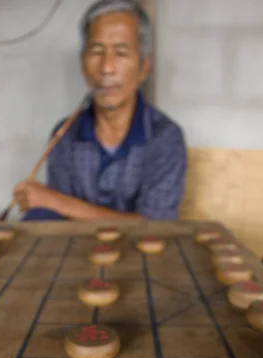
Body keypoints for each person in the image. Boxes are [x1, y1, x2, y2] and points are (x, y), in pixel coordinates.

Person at [14, 0, 186, 221]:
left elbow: (155, 228)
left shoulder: (165, 137)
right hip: (74, 252)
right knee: (37, 217)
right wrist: (48, 203)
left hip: (142, 255)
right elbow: (57, 221)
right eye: (96, 51)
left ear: (144, 67)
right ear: (82, 62)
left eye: (121, 53)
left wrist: (53, 200)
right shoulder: (65, 135)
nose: (106, 68)